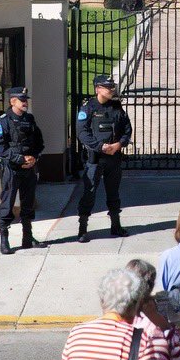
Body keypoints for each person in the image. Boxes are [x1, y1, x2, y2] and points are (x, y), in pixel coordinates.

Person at [76, 73, 133, 242]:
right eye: (108, 87)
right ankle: (82, 228)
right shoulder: (88, 108)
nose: (111, 90)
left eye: (112, 87)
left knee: (113, 192)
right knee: (89, 193)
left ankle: (116, 225)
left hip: (113, 159)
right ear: (98, 89)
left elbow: (127, 129)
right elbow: (82, 132)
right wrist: (100, 146)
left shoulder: (116, 107)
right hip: (95, 159)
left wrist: (118, 145)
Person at [0, 85, 45, 255]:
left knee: (28, 203)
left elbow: (39, 143)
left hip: (29, 169)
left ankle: (27, 238)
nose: (25, 103)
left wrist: (33, 158)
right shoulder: (3, 121)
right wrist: (20, 159)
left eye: (25, 100)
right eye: (22, 100)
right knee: (7, 204)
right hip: (11, 170)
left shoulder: (30, 119)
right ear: (12, 101)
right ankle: (4, 239)